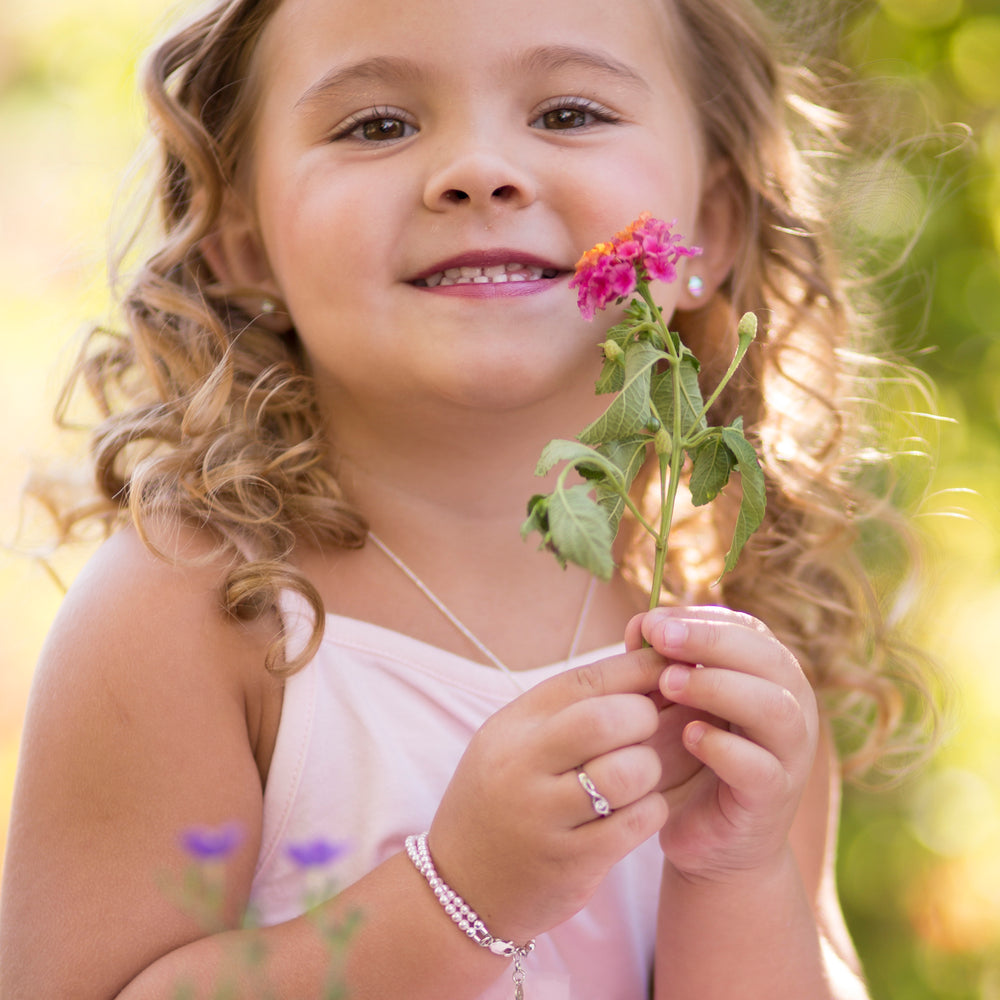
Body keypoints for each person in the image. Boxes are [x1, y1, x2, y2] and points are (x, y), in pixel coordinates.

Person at [0, 0, 936, 997]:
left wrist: (733, 871)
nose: (478, 169)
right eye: (377, 125)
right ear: (243, 237)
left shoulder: (724, 643)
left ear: (706, 224)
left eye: (570, 113)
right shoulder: (198, 615)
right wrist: (456, 898)